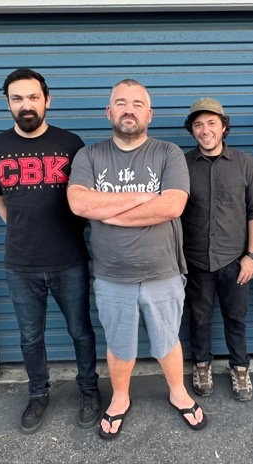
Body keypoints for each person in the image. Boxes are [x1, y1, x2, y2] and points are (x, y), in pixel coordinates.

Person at [67, 79, 206, 439]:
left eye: (137, 104)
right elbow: (79, 203)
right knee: (119, 344)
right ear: (108, 111)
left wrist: (108, 212)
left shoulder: (168, 153)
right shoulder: (89, 156)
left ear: (149, 114)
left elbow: (172, 205)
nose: (129, 110)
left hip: (163, 271)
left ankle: (178, 392)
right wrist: (145, 198)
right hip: (111, 274)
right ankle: (120, 397)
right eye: (121, 103)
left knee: (167, 340)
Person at [0, 68, 100, 434]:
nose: (26, 105)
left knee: (81, 331)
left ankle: (89, 390)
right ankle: (37, 393)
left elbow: (86, 197)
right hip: (21, 263)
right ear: (7, 104)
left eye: (33, 97)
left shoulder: (71, 143)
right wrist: (22, 226)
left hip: (69, 259)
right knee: (30, 336)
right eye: (17, 99)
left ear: (47, 100)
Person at [181, 98, 253, 401]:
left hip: (235, 260)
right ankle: (201, 365)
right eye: (198, 124)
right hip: (195, 260)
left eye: (212, 123)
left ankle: (240, 368)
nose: (205, 130)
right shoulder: (182, 164)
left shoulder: (245, 163)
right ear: (192, 130)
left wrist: (251, 256)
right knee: (199, 318)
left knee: (236, 318)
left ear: (224, 127)